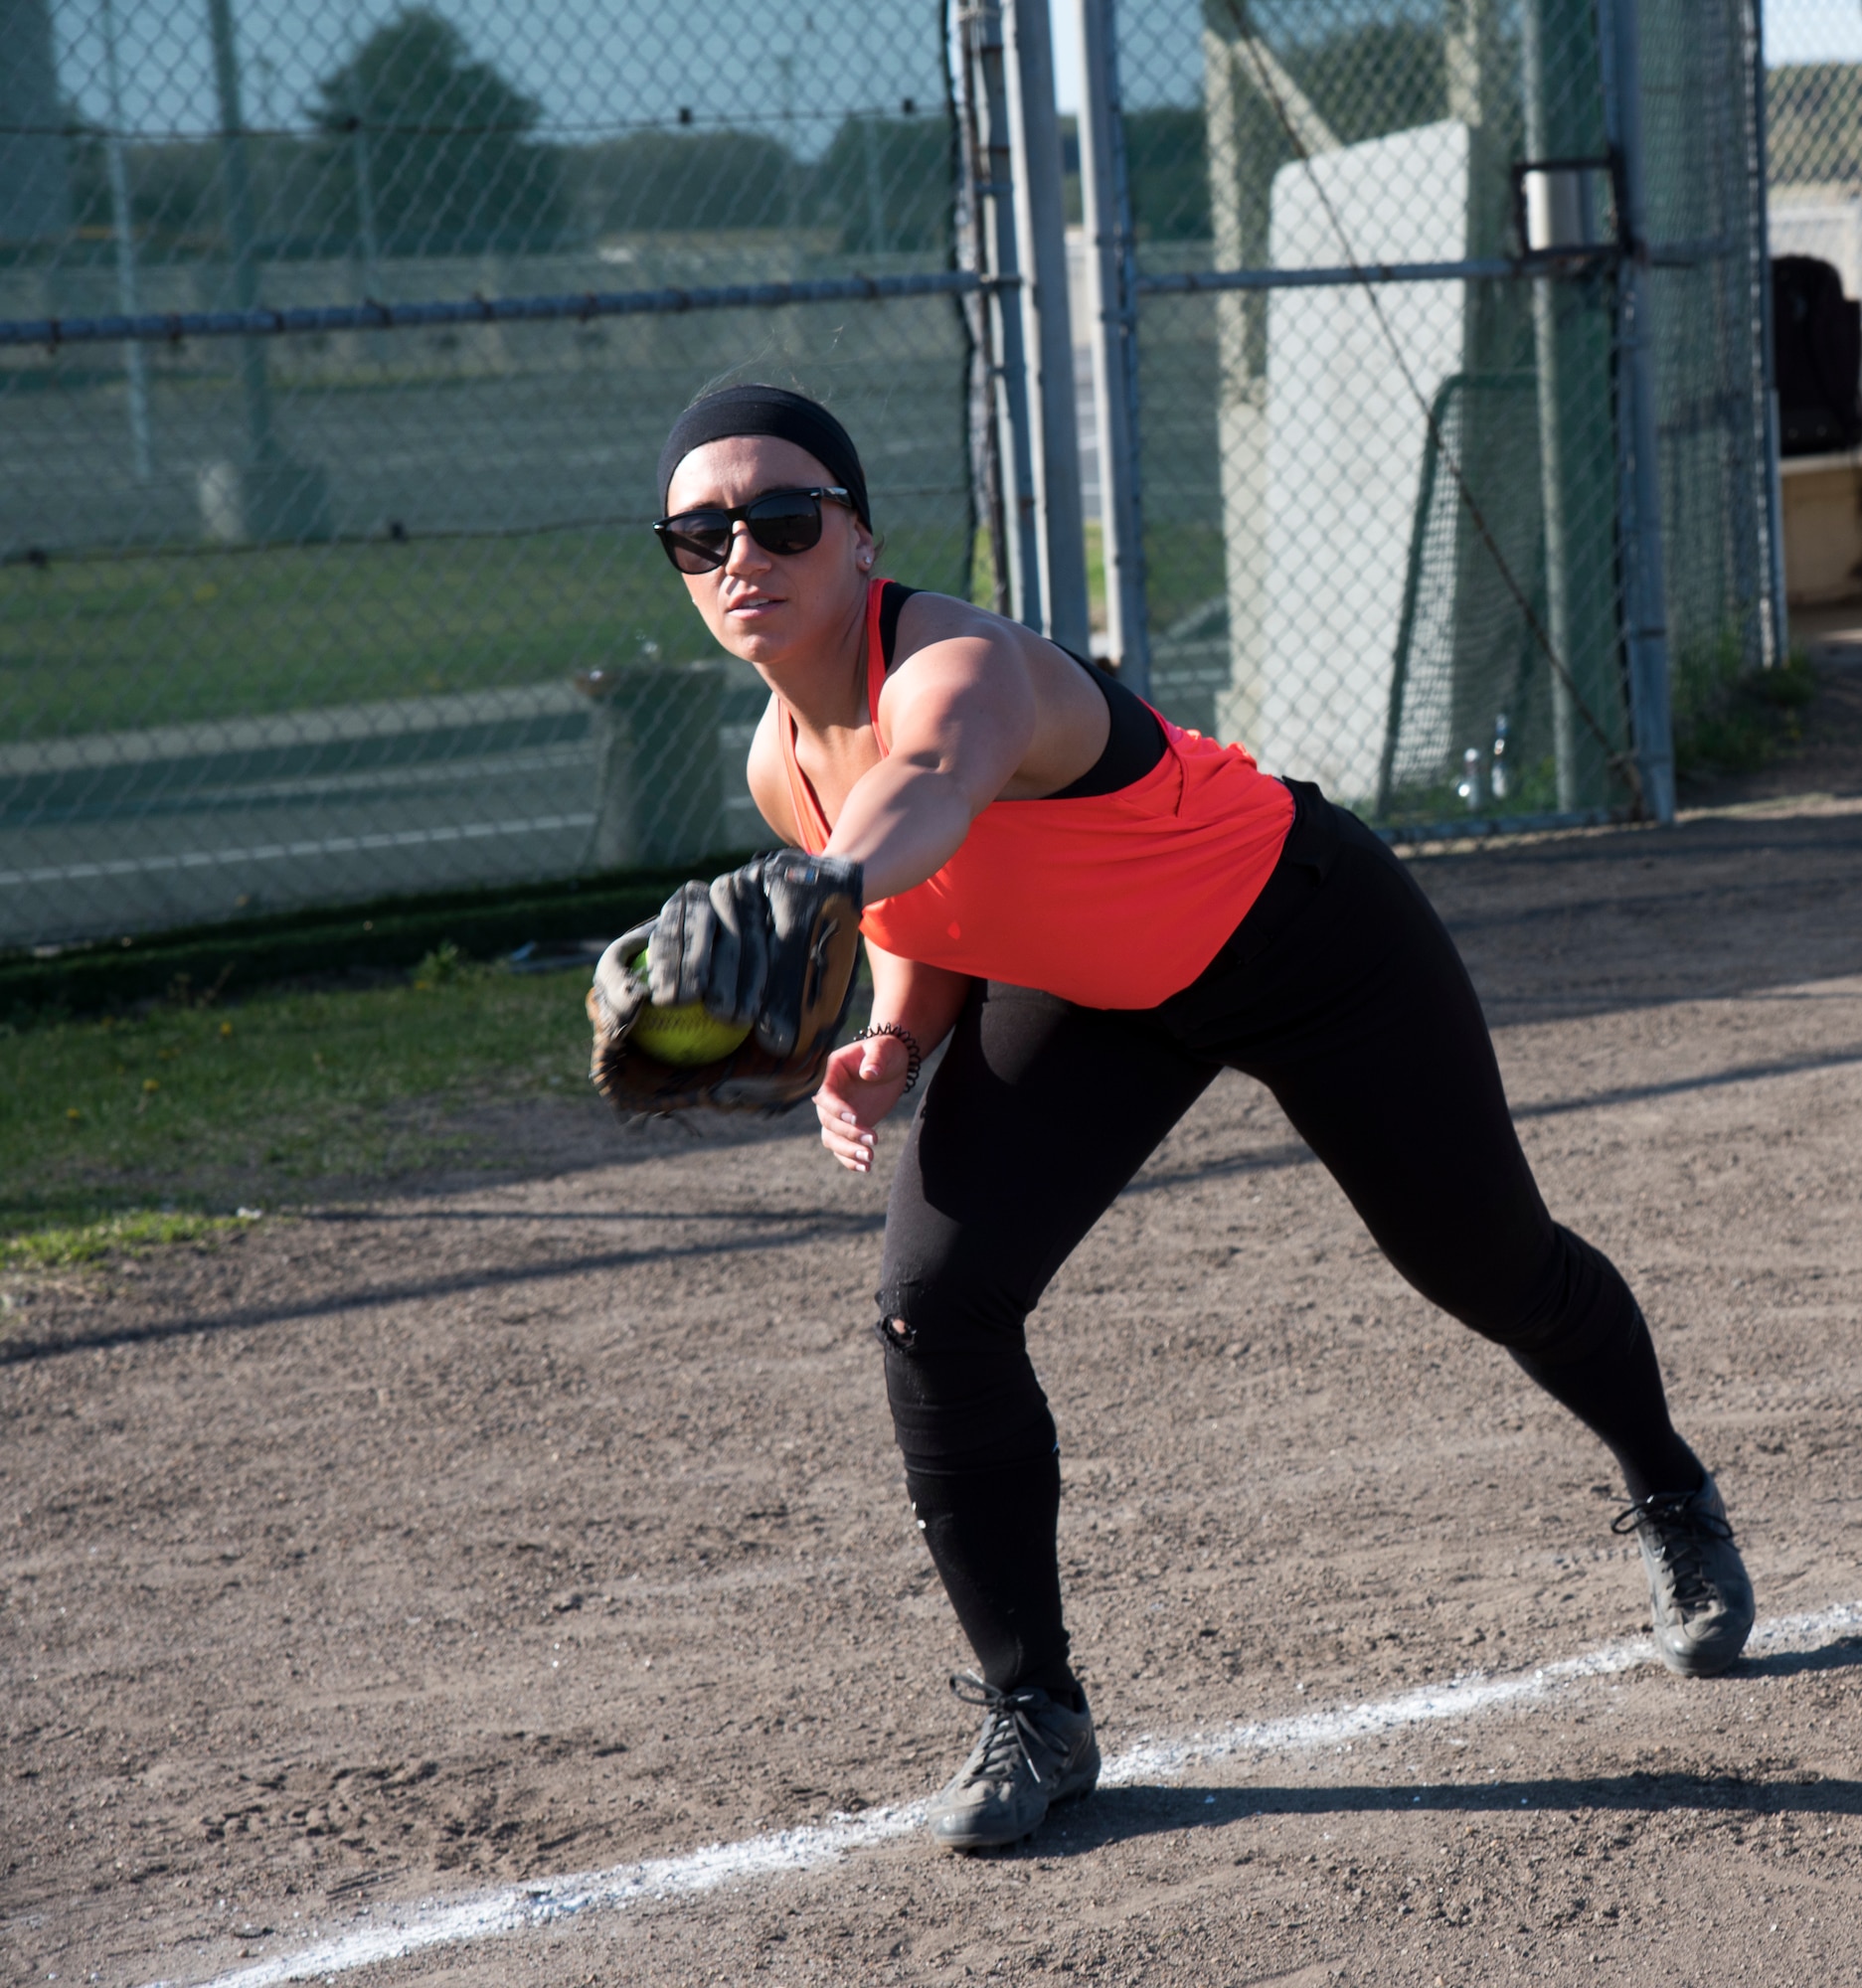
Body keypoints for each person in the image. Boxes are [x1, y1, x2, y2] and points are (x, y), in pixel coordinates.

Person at [610, 383, 1755, 1855]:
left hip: (1306, 938)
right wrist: (891, 1036)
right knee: (933, 1304)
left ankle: (1667, 1485)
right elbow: (927, 899)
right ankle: (1035, 1712)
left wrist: (826, 887)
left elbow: (931, 785)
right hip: (1091, 992)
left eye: (780, 517)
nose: (740, 556)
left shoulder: (961, 666)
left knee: (1487, 1265)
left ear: (857, 537)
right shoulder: (781, 762)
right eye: (698, 536)